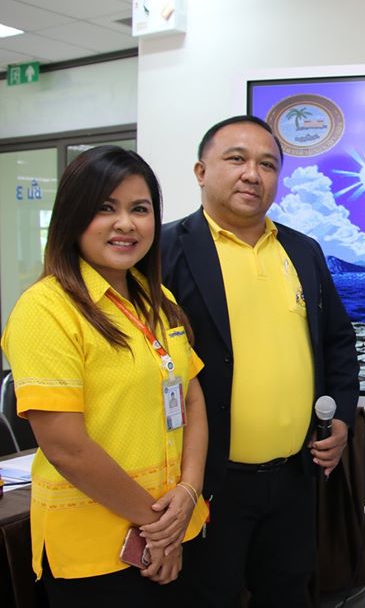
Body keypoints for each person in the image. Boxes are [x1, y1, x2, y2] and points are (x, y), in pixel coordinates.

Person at [160, 115, 360, 606]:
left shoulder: (302, 250)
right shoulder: (163, 250)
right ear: (201, 171)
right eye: (237, 159)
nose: (253, 174)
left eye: (267, 165)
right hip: (207, 484)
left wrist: (341, 418)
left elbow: (337, 341)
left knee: (288, 594)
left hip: (293, 480)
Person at [1, 146, 208, 605]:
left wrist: (189, 491)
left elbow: (191, 398)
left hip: (177, 528)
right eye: (105, 208)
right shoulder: (45, 309)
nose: (126, 224)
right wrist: (159, 529)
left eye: (140, 209)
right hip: (96, 551)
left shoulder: (156, 299)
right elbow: (67, 448)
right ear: (72, 217)